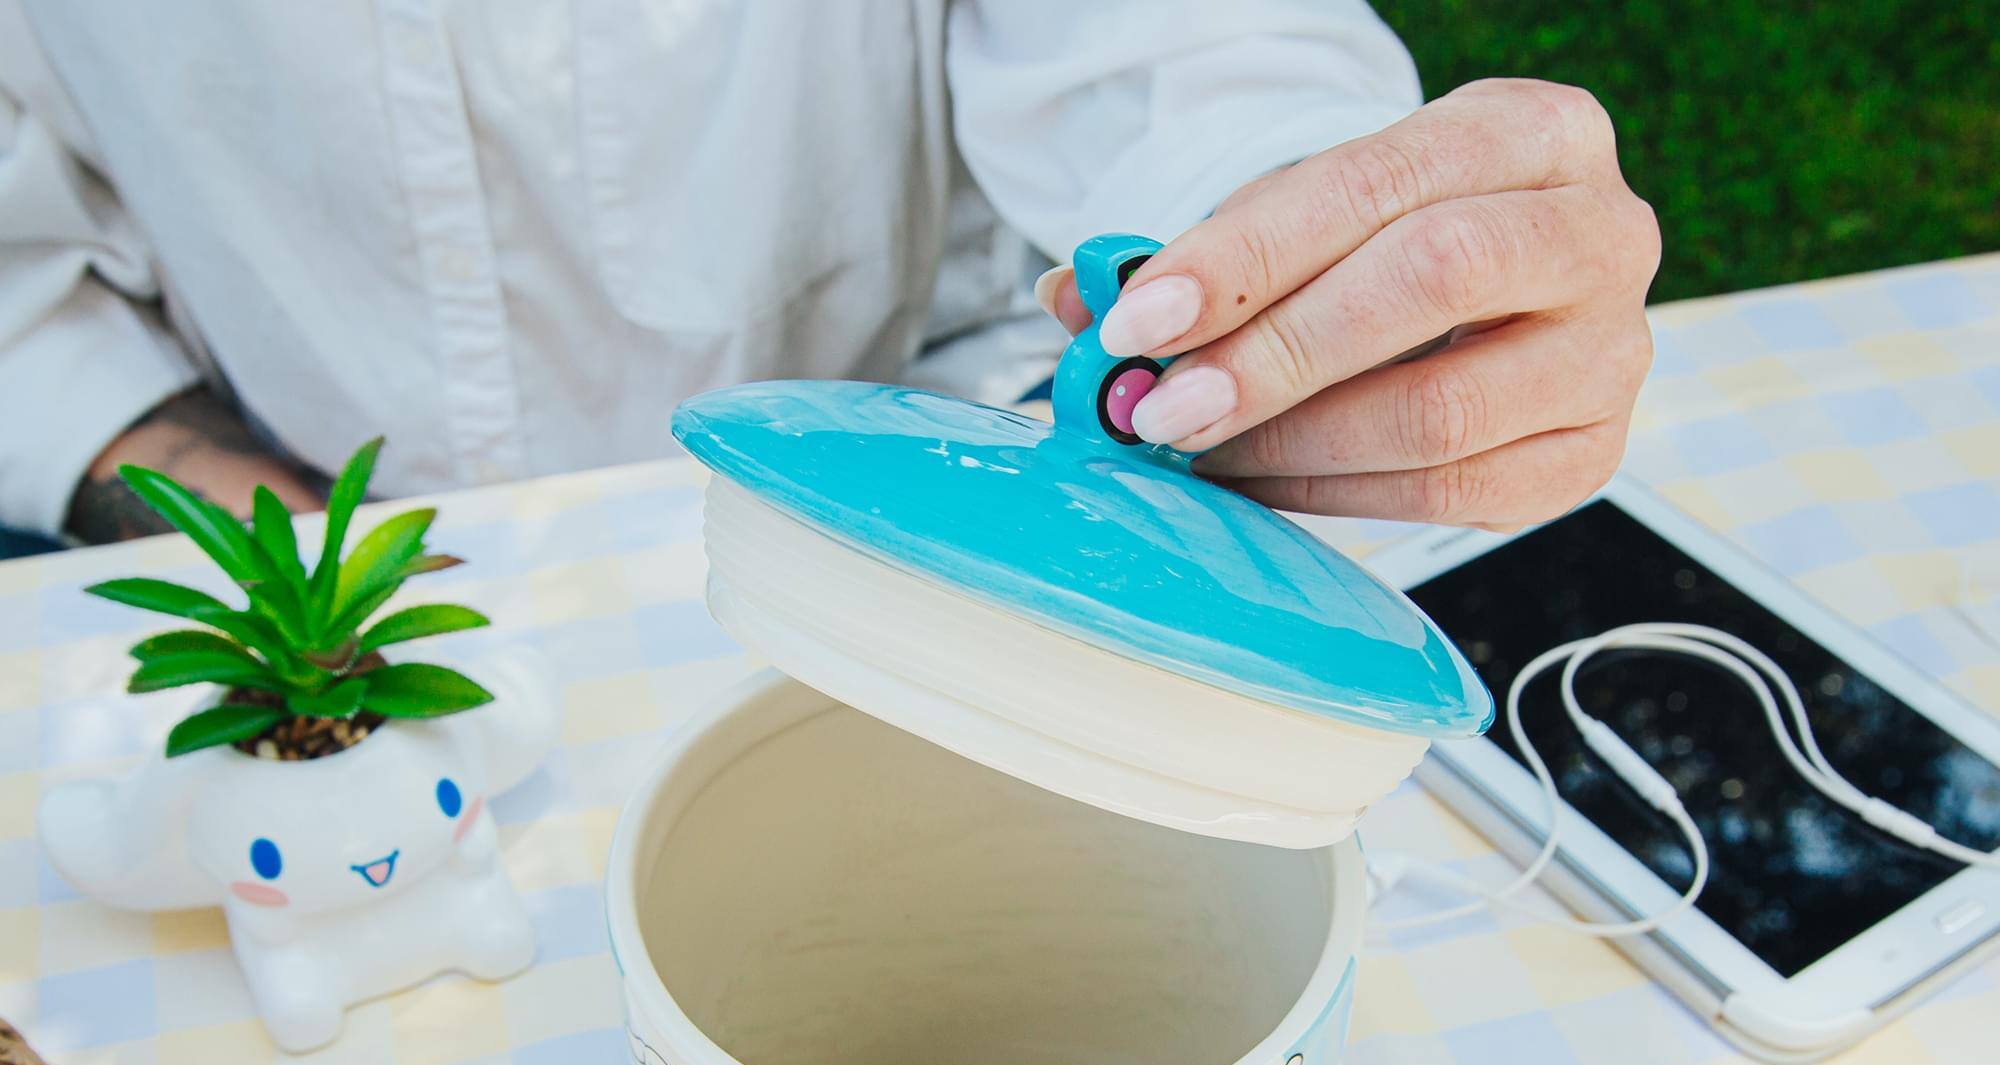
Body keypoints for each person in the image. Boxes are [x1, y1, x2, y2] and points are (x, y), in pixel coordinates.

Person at [0, 3, 1657, 548]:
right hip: (313, 565)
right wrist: (283, 561)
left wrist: (1329, 253)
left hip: (935, 513)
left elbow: (1199, 64)